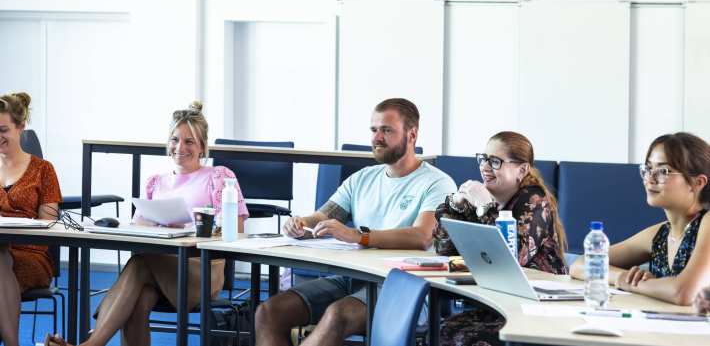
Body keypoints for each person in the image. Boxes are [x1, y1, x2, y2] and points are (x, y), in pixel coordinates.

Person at [255, 98, 456, 346]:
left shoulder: (438, 183)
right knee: (269, 312)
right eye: (374, 130)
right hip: (352, 278)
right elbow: (324, 216)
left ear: (412, 134)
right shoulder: (362, 178)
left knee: (338, 315)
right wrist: (300, 223)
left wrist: (359, 236)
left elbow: (422, 236)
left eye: (387, 130)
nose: (377, 138)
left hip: (405, 288)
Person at [46, 101, 248, 346]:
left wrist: (189, 230)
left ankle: (90, 344)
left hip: (200, 270)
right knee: (139, 301)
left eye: (189, 141)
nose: (179, 147)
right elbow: (138, 229)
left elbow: (236, 232)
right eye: (175, 140)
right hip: (159, 267)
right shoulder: (156, 182)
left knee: (140, 263)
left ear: (202, 147)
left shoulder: (219, 177)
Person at [435, 131, 568, 346]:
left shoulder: (534, 201)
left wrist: (485, 207)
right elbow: (443, 249)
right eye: (484, 159)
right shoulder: (484, 198)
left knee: (459, 336)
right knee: (447, 330)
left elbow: (511, 259)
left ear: (522, 170)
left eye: (495, 161)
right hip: (501, 300)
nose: (485, 167)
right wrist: (456, 206)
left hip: (538, 307)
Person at [570, 132, 710, 305]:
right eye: (648, 169)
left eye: (663, 171)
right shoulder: (660, 234)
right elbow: (581, 264)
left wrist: (634, 284)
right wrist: (622, 277)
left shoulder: (707, 223)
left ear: (698, 183)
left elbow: (684, 292)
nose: (650, 179)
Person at [0, 92, 62, 346]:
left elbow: (48, 226)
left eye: (3, 129)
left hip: (30, 253)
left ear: (21, 126)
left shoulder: (43, 170)